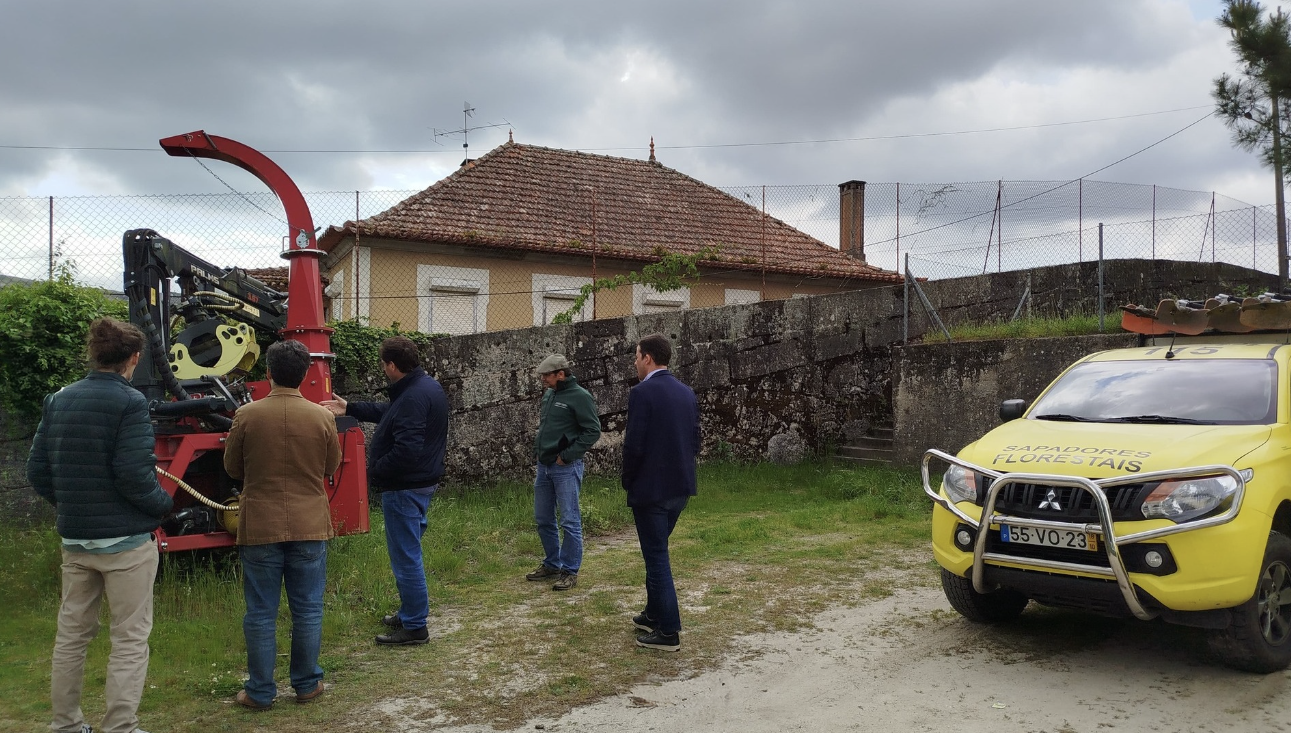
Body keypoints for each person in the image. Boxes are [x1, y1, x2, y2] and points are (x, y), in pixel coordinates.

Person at [28, 316, 175, 733]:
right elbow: (133, 473)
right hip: (127, 542)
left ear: (93, 354)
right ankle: (120, 727)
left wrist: (75, 504)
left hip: (76, 539)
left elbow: (37, 470)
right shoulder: (129, 403)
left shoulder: (57, 399)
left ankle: (66, 725)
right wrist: (162, 505)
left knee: (71, 637)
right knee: (129, 639)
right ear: (133, 358)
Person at [223, 339, 342, 710]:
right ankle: (307, 683)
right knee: (308, 608)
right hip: (309, 523)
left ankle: (260, 691)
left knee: (260, 612)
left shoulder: (247, 415)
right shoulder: (322, 417)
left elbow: (231, 468)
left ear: (269, 373)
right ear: (305, 374)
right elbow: (331, 466)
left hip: (260, 523)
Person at [321, 336, 448, 645]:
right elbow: (390, 413)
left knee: (406, 557)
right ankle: (409, 612)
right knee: (408, 552)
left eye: (383, 364)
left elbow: (407, 450)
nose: (382, 368)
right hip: (417, 484)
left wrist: (373, 471)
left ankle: (415, 626)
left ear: (392, 366)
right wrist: (350, 407)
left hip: (405, 488)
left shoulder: (415, 396)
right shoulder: (422, 387)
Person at [622, 333, 700, 652]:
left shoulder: (642, 393)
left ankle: (668, 631)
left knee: (656, 556)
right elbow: (694, 441)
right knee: (656, 551)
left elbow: (634, 445)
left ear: (648, 358)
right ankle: (654, 613)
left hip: (651, 491)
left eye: (637, 357)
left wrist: (629, 480)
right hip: (679, 488)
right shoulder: (686, 392)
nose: (635, 362)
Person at [527, 354, 601, 591]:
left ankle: (570, 570)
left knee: (569, 520)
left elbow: (592, 431)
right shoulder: (550, 394)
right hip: (544, 466)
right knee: (543, 518)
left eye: (547, 375)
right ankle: (552, 563)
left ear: (561, 374)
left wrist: (566, 456)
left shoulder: (580, 396)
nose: (543, 380)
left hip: (565, 468)